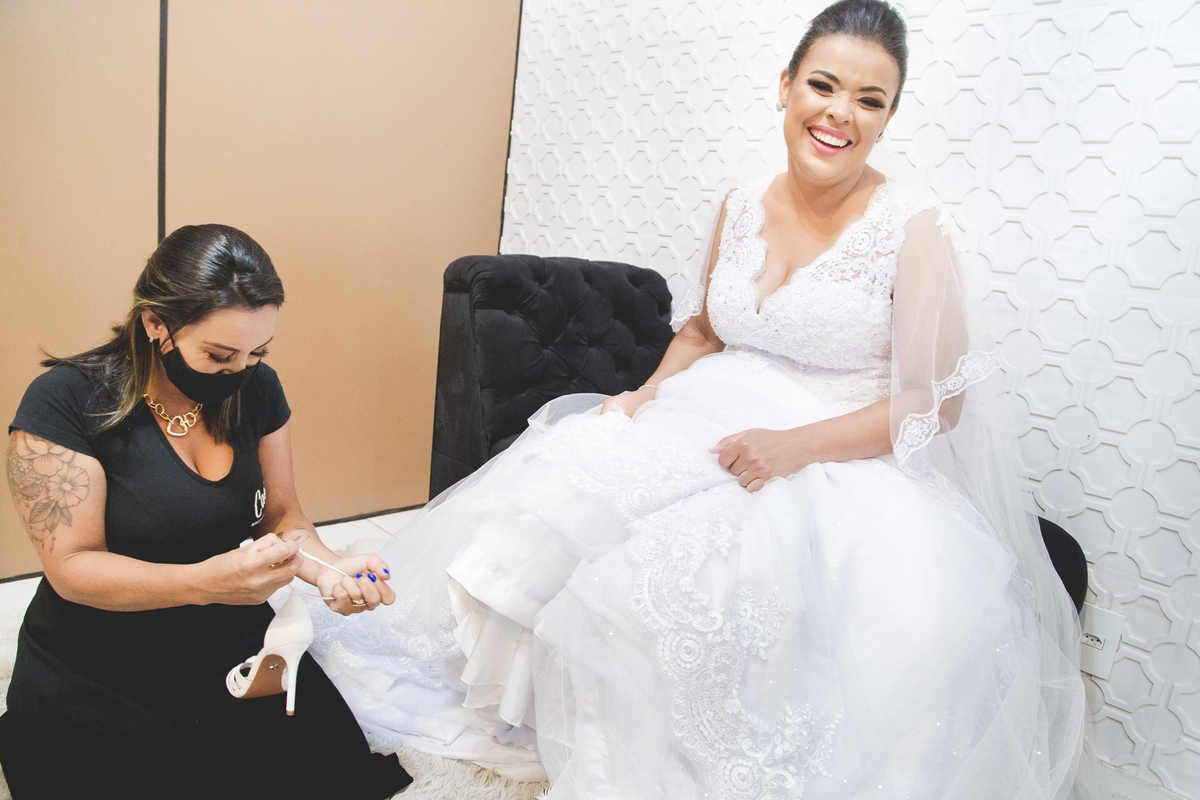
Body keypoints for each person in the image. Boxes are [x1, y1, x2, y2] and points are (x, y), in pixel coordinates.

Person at [309, 1, 1092, 797]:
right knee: (556, 492)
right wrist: (643, 395)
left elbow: (934, 401)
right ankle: (526, 716)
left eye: (869, 99)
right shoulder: (741, 201)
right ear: (785, 85)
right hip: (704, 413)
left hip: (836, 452)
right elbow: (705, 331)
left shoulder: (913, 225)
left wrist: (793, 449)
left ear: (888, 118)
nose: (840, 113)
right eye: (823, 85)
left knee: (658, 589)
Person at [0, 225, 411, 799]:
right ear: (156, 323)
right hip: (100, 642)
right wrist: (203, 582)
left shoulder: (256, 389)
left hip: (222, 621)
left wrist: (328, 571)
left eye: (257, 352)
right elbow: (71, 567)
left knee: (324, 769)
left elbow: (283, 516)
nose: (239, 371)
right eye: (219, 355)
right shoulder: (67, 400)